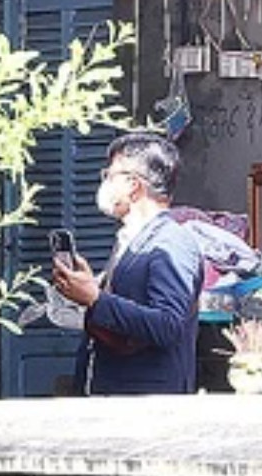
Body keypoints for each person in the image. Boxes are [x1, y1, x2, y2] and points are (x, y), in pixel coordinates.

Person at [53, 131, 202, 396]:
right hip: (111, 395)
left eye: (109, 175)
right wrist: (92, 290)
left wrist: (95, 298)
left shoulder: (170, 243)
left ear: (133, 185)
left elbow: (168, 325)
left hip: (147, 404)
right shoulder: (132, 240)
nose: (104, 182)